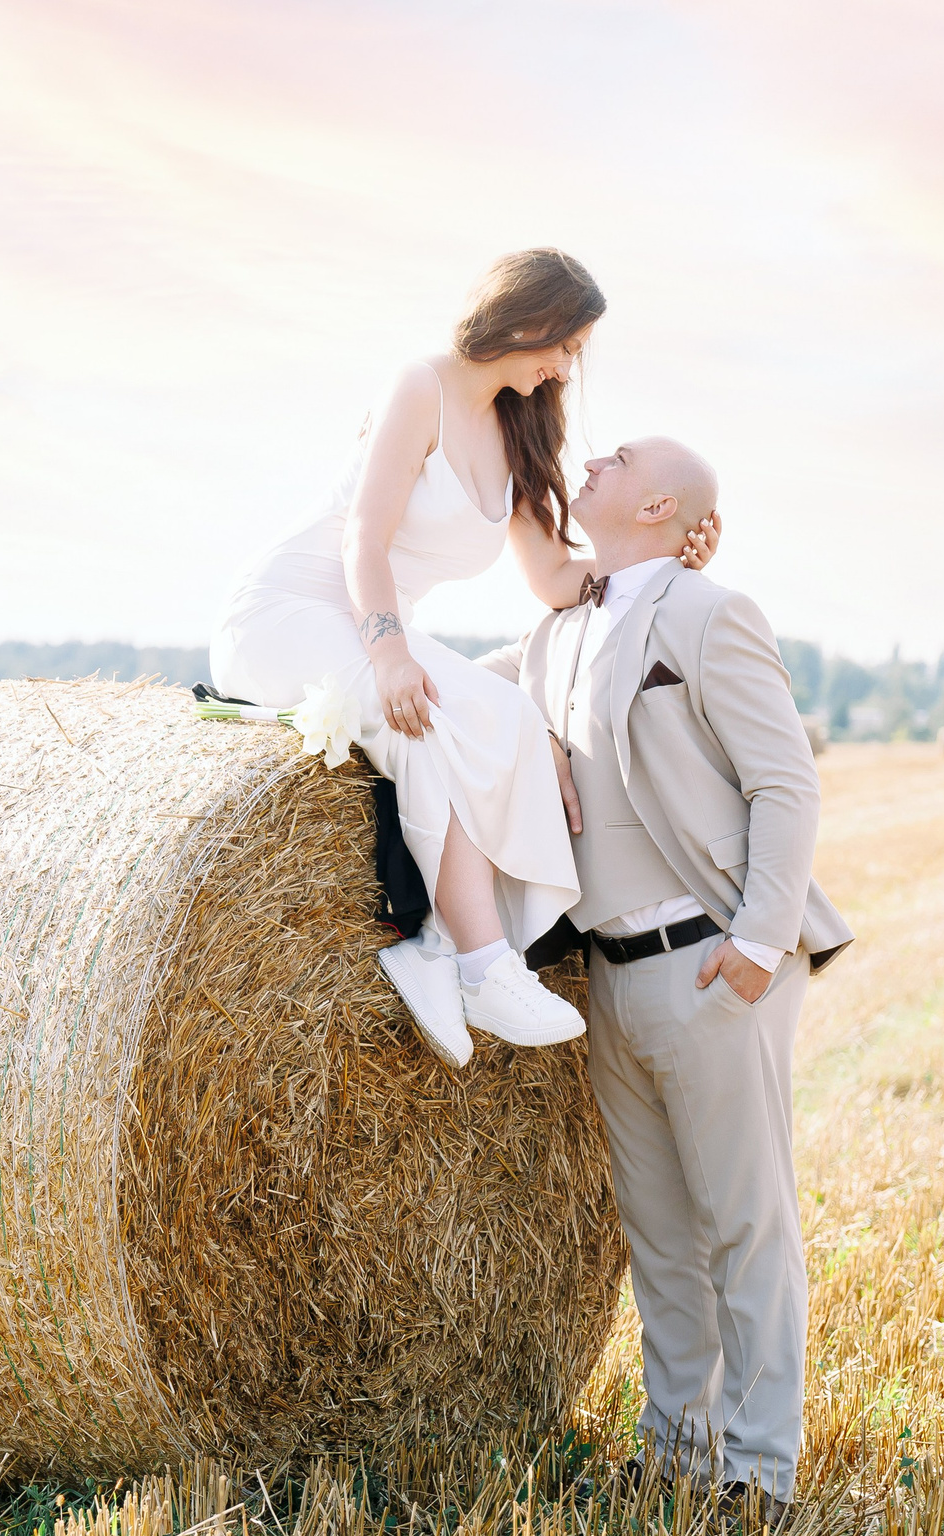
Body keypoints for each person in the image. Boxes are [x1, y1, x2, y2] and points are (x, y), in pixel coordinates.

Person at [208, 250, 717, 1067]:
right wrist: (388, 652)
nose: (566, 368)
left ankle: (443, 950)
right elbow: (362, 537)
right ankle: (480, 963)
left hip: (371, 626)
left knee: (507, 715)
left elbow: (553, 577)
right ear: (530, 319)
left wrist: (661, 559)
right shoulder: (422, 386)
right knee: (430, 715)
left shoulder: (521, 430)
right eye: (567, 346)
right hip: (292, 609)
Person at [478, 436, 851, 1522]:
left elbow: (785, 785)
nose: (594, 456)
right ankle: (677, 1448)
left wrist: (757, 944)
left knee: (745, 1224)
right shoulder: (552, 635)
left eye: (622, 454)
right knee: (657, 1234)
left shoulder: (708, 615)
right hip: (609, 976)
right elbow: (452, 697)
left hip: (709, 964)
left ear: (658, 506)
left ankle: (759, 1472)